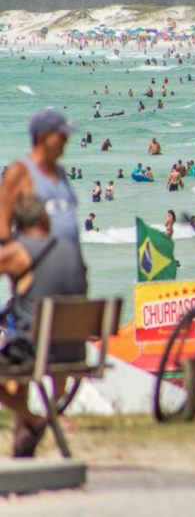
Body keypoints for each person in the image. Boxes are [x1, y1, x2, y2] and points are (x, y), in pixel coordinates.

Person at [0, 196, 88, 457]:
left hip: (37, 352)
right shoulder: (71, 250)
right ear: (44, 219)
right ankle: (42, 418)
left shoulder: (17, 252)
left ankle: (33, 418)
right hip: (74, 350)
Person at [0, 110, 81, 251]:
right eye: (61, 135)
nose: (66, 140)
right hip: (37, 266)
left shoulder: (60, 173)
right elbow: (3, 222)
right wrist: (17, 262)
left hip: (69, 266)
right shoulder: (20, 172)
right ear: (43, 137)